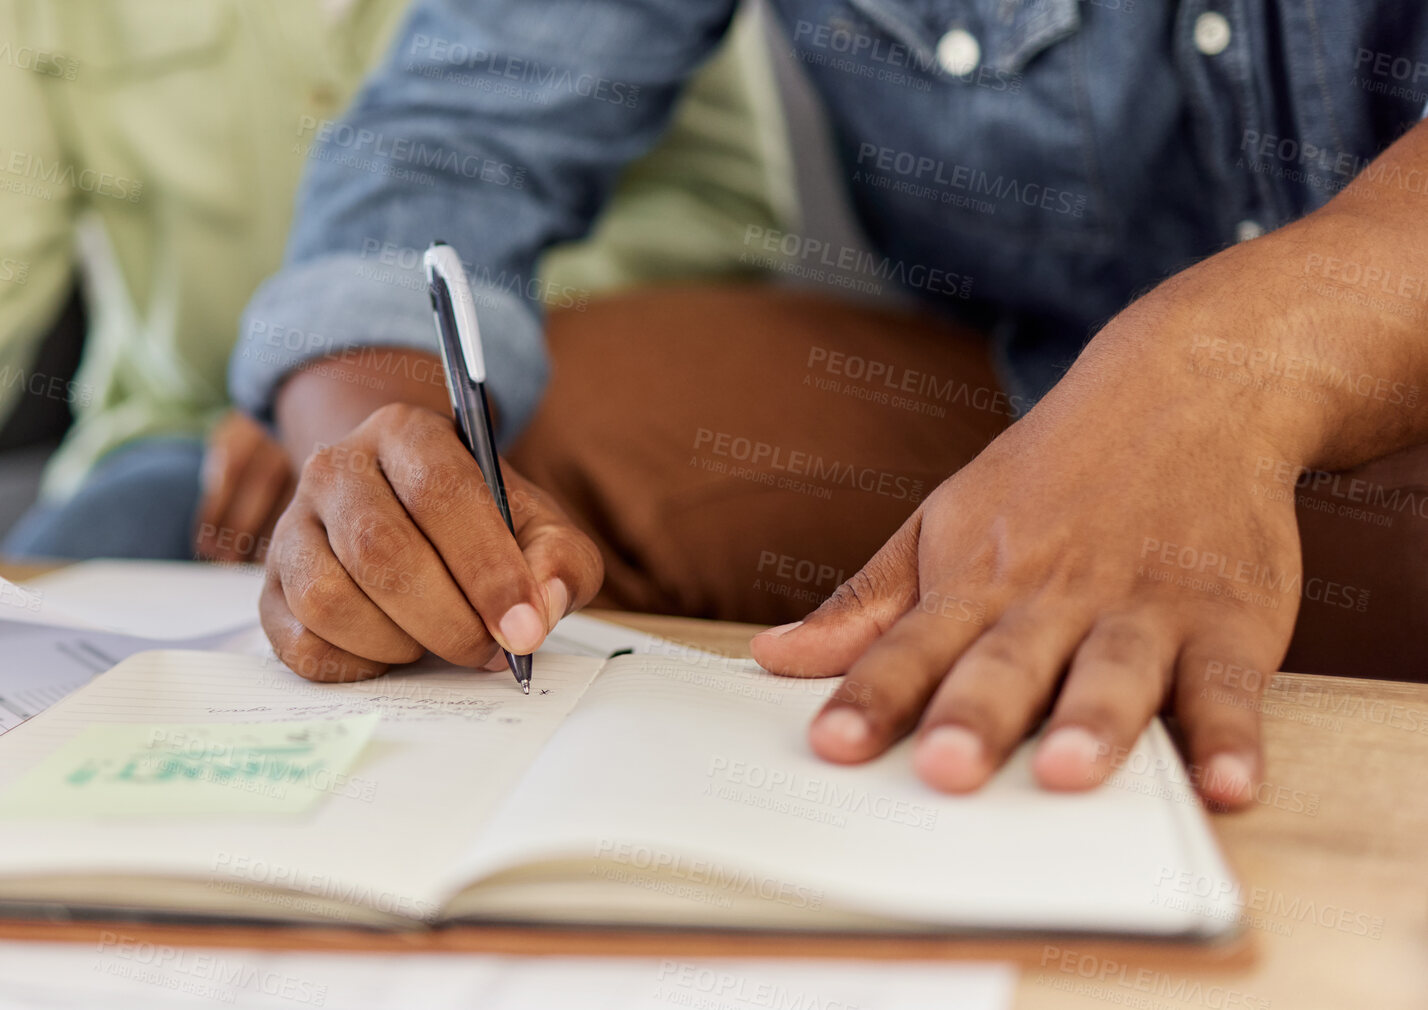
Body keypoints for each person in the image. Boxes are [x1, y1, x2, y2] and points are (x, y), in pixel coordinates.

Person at [232, 0, 1428, 808]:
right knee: (579, 424)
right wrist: (372, 460)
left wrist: (1212, 371)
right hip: (1027, 401)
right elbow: (454, 129)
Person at [0, 0, 786, 646]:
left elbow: (715, 225)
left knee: (485, 595)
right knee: (58, 626)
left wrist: (346, 385)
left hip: (522, 405)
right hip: (176, 460)